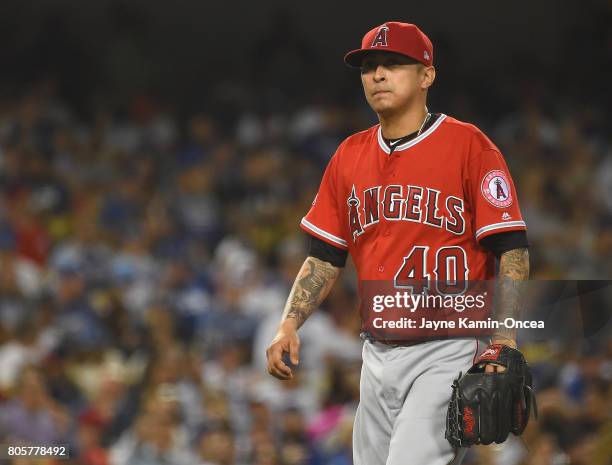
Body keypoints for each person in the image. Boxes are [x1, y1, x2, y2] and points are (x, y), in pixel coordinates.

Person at [266, 22, 530, 465]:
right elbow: (326, 257)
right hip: (376, 354)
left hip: (448, 347)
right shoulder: (349, 154)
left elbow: (512, 249)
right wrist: (288, 323)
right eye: (369, 67)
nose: (378, 75)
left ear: (427, 75)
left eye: (393, 64)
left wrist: (504, 339)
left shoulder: (469, 146)